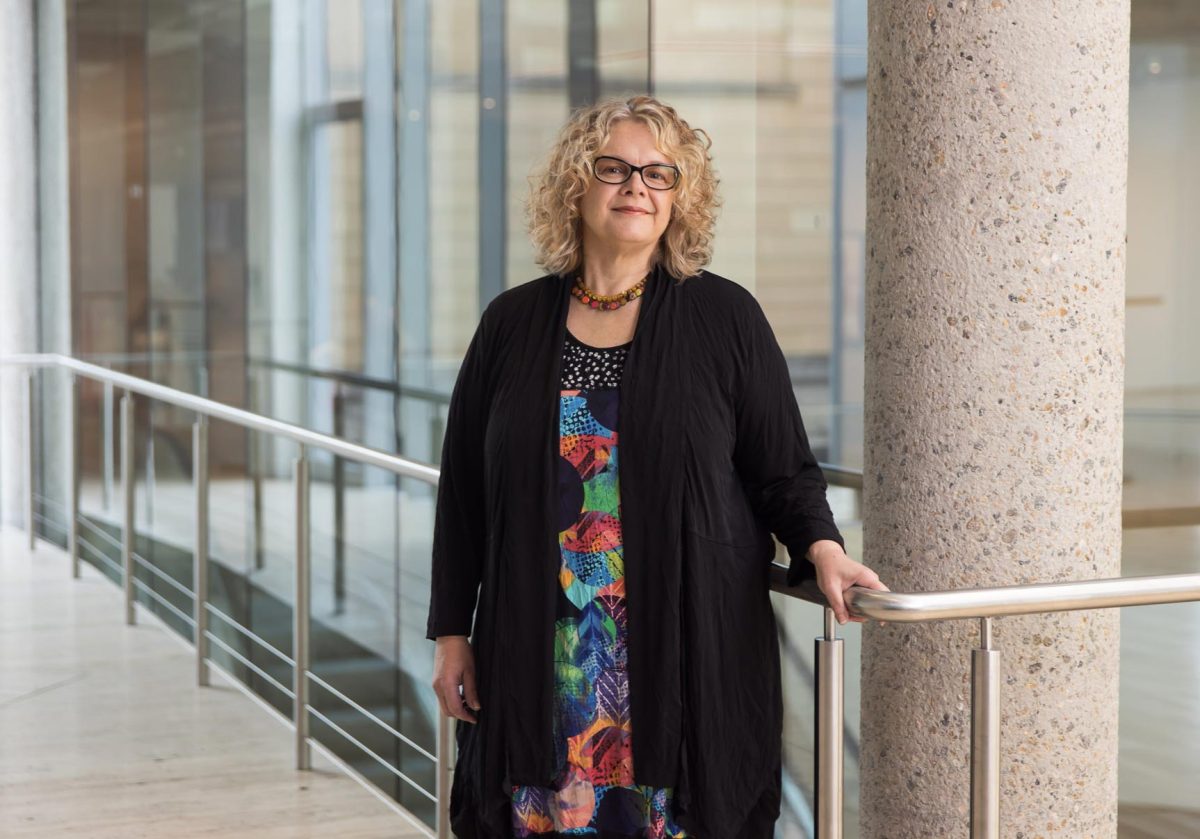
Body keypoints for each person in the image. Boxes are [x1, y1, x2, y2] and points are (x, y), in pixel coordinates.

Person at [427, 95, 887, 839]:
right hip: (541, 659)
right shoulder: (510, 325)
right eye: (613, 168)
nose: (635, 185)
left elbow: (783, 469)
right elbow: (466, 496)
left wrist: (823, 548)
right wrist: (453, 632)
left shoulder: (724, 317)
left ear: (681, 197)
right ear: (575, 186)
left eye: (658, 173)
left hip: (682, 655)